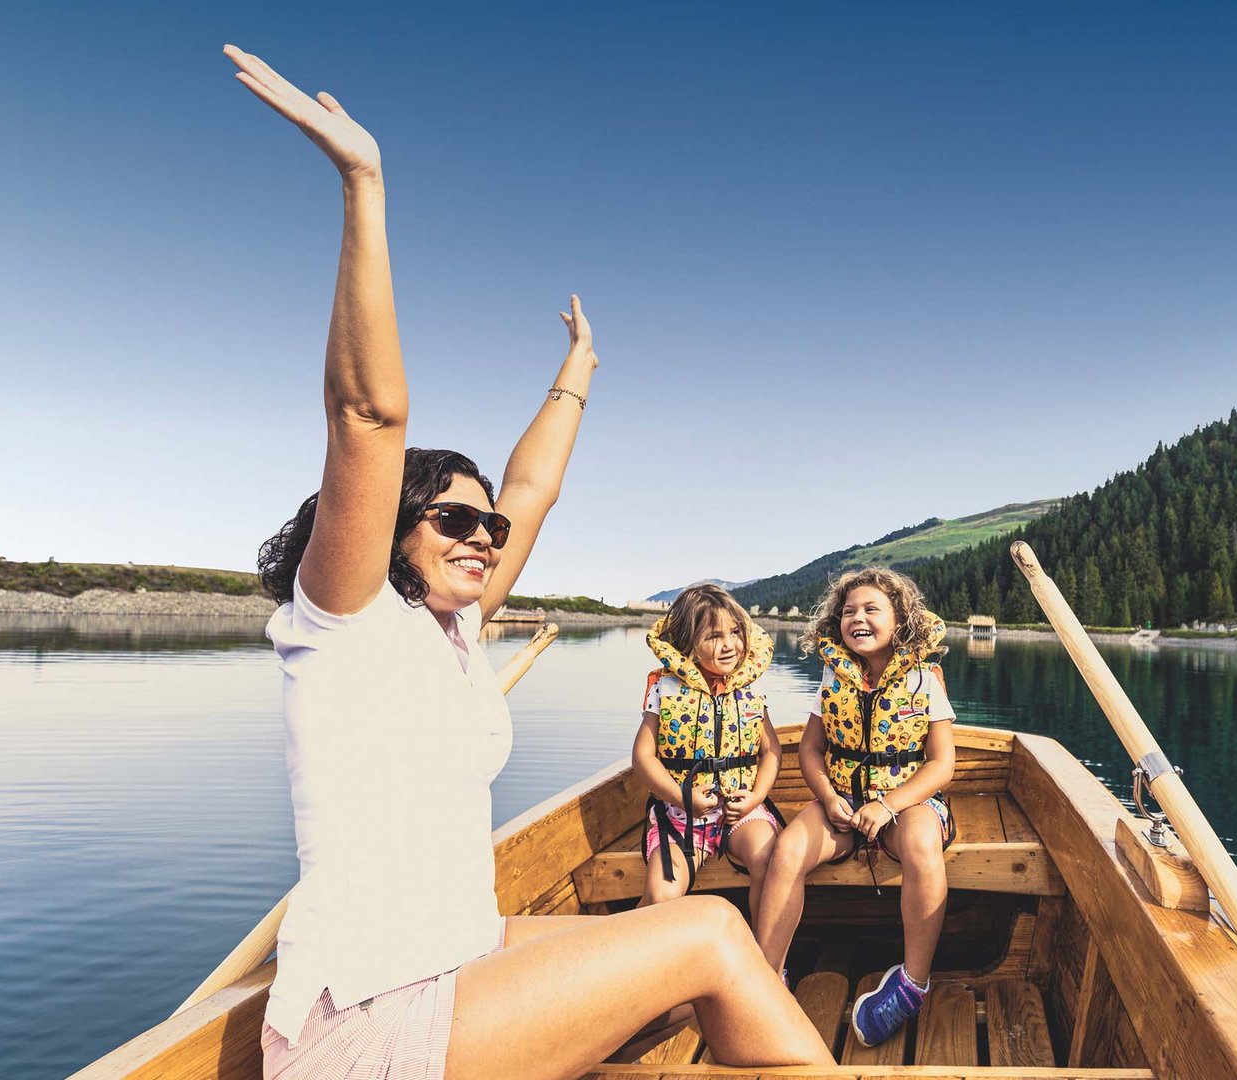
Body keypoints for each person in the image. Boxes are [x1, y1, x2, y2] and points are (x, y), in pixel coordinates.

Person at [225, 45, 831, 1080]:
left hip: (458, 959)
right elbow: (368, 415)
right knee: (714, 940)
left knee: (700, 975)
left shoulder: (450, 629)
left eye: (486, 528)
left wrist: (579, 371)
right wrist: (364, 185)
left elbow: (531, 491)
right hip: (366, 1018)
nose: (482, 537)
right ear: (386, 530)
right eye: (452, 521)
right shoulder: (345, 621)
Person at [755, 567, 957, 1047]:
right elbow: (809, 750)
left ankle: (911, 985)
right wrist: (829, 798)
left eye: (871, 610)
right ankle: (763, 980)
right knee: (787, 850)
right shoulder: (833, 674)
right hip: (841, 801)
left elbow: (941, 764)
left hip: (907, 801)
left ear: (900, 618)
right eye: (848, 612)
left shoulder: (925, 678)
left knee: (922, 844)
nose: (858, 618)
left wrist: (888, 805)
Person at [631, 585, 783, 913]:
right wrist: (681, 797)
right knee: (661, 894)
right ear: (687, 642)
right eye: (714, 636)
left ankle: (762, 954)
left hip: (740, 810)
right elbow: (643, 757)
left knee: (769, 858)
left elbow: (771, 752)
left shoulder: (749, 687)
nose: (729, 645)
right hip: (680, 812)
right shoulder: (665, 687)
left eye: (736, 632)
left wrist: (755, 798)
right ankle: (625, 943)